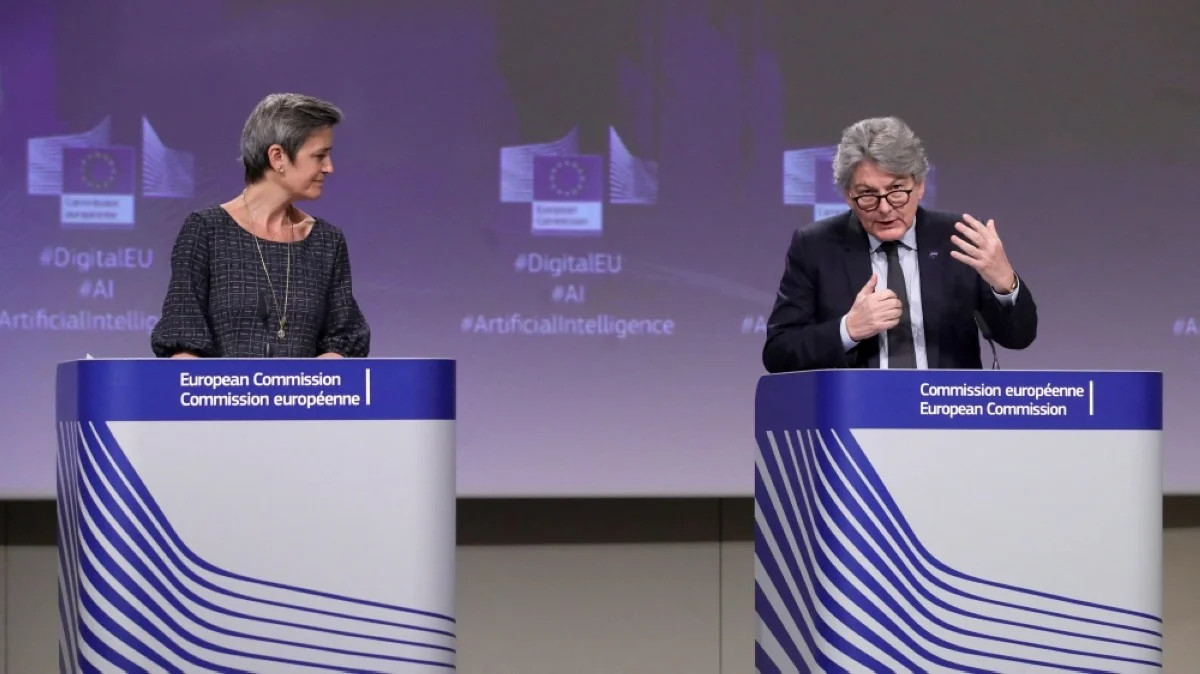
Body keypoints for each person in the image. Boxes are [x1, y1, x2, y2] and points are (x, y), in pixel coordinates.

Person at [762, 116, 1036, 372]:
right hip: (858, 414)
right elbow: (778, 352)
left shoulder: (958, 237)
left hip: (946, 413)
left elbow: (1019, 337)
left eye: (896, 191)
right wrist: (849, 329)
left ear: (919, 186)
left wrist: (1004, 283)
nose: (884, 208)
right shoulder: (815, 247)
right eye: (867, 194)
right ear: (848, 195)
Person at [151, 93, 370, 359]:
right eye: (319, 155)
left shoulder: (325, 241)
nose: (329, 167)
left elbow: (345, 337)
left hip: (306, 399)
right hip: (221, 399)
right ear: (278, 157)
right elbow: (182, 340)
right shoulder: (206, 231)